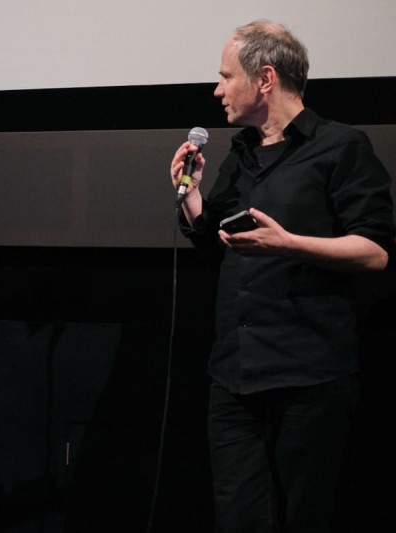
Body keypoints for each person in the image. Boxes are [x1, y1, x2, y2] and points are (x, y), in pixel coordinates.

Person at [169, 19, 395, 532]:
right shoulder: (242, 154)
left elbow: (376, 251)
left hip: (310, 376)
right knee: (239, 519)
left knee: (305, 518)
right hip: (234, 376)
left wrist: (289, 244)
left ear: (265, 79)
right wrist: (192, 196)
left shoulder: (341, 147)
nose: (217, 89)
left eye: (226, 76)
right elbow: (215, 246)